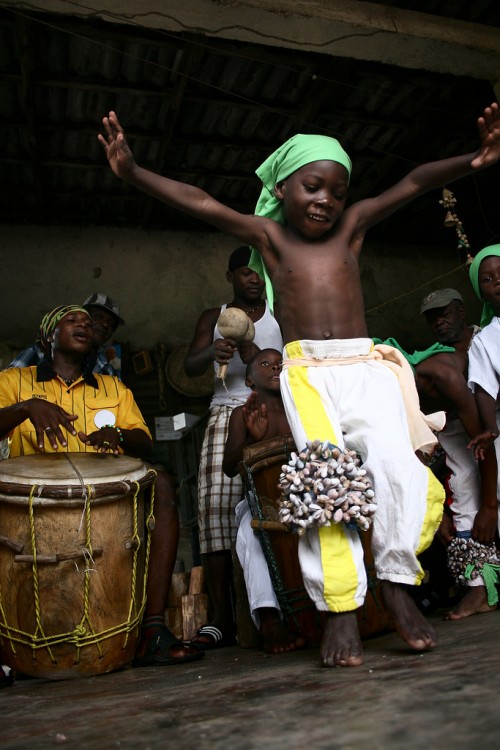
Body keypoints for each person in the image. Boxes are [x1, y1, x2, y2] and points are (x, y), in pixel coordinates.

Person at [98, 102, 500, 667]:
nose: (326, 200)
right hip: (308, 373)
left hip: (363, 366)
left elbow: (412, 182)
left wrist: (474, 160)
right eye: (313, 186)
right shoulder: (270, 238)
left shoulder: (353, 228)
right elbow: (203, 202)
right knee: (323, 483)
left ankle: (394, 582)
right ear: (284, 188)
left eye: (338, 191)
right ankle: (339, 610)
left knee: (400, 471)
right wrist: (135, 173)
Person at [0, 305, 203, 684]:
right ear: (49, 336)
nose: (84, 325)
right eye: (71, 320)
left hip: (107, 506)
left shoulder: (114, 388)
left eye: (88, 323)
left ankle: (152, 632)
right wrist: (26, 408)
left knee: (161, 482)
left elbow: (144, 440)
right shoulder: (16, 381)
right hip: (30, 508)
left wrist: (121, 437)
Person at [184, 247, 283, 649]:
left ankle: (285, 604)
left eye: (258, 273)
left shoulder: (281, 316)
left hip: (275, 412)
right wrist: (214, 351)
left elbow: (299, 363)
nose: (253, 279)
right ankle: (223, 619)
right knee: (216, 513)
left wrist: (256, 357)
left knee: (279, 504)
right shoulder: (214, 316)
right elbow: (189, 366)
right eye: (245, 273)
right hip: (227, 411)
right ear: (231, 277)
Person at [415, 288, 499, 619]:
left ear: (462, 311)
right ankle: (479, 589)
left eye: (445, 313)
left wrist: (491, 504)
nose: (439, 321)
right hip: (461, 450)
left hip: (493, 437)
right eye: (432, 318)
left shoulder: (488, 340)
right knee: (464, 496)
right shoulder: (434, 363)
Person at [223, 348, 305, 654]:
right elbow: (230, 466)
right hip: (262, 500)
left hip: (307, 494)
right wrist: (252, 441)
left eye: (279, 363)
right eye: (265, 363)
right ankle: (269, 621)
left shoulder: (301, 404)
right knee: (250, 535)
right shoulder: (241, 415)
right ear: (249, 381)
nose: (274, 367)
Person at [8, 292, 123, 377]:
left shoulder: (108, 372)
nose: (105, 324)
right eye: (98, 316)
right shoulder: (38, 353)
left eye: (111, 323)